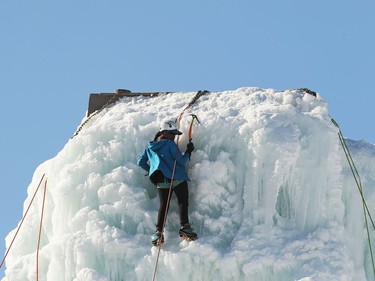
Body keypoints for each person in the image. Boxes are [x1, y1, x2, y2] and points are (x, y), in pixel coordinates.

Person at [137, 119, 198, 245]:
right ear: (165, 133)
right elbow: (180, 161)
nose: (174, 136)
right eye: (173, 134)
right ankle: (185, 227)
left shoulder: (150, 147)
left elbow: (140, 162)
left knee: (164, 206)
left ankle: (158, 233)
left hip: (161, 180)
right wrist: (188, 151)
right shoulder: (170, 144)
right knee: (182, 201)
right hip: (177, 178)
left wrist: (151, 170)